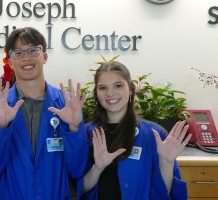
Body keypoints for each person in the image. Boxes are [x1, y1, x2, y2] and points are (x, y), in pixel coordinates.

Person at [0, 27, 88, 199]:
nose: (26, 58)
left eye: (33, 50)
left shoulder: (67, 105)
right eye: (18, 53)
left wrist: (74, 128)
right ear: (10, 62)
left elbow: (77, 170)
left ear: (44, 56)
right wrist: (1, 127)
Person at [79, 61, 191, 199]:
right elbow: (79, 189)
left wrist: (166, 162)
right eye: (102, 88)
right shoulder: (86, 134)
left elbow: (163, 194)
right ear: (96, 93)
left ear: (131, 89)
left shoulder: (153, 135)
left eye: (118, 85)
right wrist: (98, 168)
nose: (110, 93)